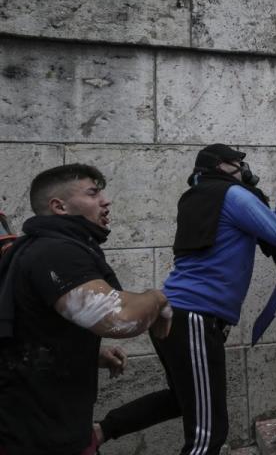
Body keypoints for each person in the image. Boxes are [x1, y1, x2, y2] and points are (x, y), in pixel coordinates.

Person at [94, 143, 276, 454]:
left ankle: (100, 432)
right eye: (238, 163)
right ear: (221, 165)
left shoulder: (196, 196)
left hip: (174, 316)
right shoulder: (232, 195)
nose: (244, 170)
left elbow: (271, 237)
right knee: (208, 435)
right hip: (194, 316)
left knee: (181, 400)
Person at [0, 164, 172, 455]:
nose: (106, 201)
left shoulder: (45, 246)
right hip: (37, 436)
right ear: (59, 206)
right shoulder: (56, 252)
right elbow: (118, 319)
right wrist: (158, 299)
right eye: (93, 193)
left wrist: (90, 354)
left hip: (50, 424)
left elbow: (34, 332)